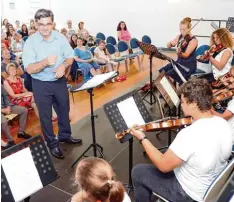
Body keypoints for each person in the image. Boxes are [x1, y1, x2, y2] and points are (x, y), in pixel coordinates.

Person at [130, 78, 232, 202]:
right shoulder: (222, 123)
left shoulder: (189, 134)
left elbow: (163, 165)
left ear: (194, 104)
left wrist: (142, 138)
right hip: (211, 186)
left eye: (183, 102)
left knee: (138, 172)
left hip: (189, 194)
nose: (181, 105)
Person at [22, 8, 82, 159]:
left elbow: (70, 56)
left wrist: (63, 66)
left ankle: (64, 136)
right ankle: (52, 144)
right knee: (46, 116)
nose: (45, 27)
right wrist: (44, 62)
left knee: (63, 109)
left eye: (48, 24)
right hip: (40, 83)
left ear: (53, 23)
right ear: (35, 24)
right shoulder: (31, 42)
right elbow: (29, 68)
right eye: (41, 24)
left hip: (59, 81)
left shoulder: (59, 37)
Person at [159, 17, 198, 85]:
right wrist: (170, 43)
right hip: (179, 63)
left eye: (184, 29)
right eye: (180, 29)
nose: (182, 31)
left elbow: (186, 55)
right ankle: (166, 89)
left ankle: (172, 92)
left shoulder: (193, 40)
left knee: (169, 74)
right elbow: (169, 45)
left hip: (188, 65)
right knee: (162, 70)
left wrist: (179, 53)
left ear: (189, 28)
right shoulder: (180, 36)